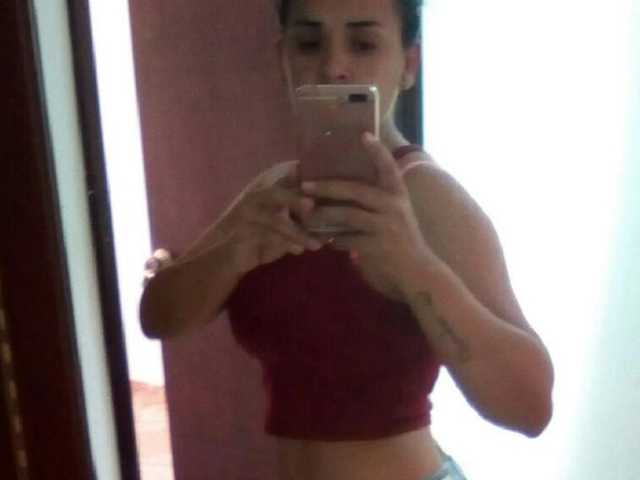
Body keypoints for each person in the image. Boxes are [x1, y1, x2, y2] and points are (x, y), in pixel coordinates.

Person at [139, 0, 554, 478]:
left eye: (363, 43)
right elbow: (158, 316)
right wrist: (233, 253)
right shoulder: (273, 192)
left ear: (408, 64)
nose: (333, 66)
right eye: (309, 43)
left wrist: (414, 266)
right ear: (283, 59)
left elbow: (531, 407)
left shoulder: (426, 197)